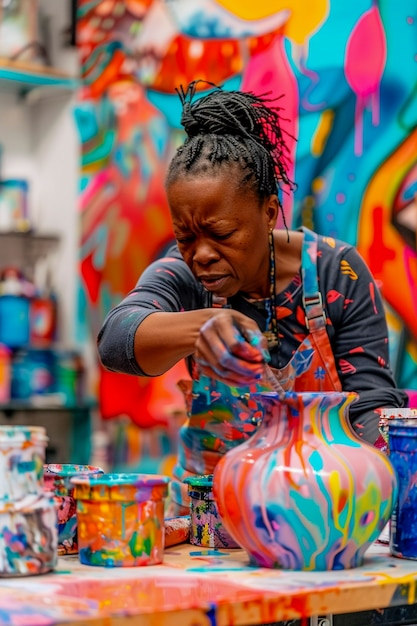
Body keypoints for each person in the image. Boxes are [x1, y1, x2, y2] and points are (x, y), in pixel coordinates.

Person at [97, 80, 408, 514]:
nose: (201, 254)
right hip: (211, 522)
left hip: (321, 513)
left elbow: (371, 407)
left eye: (221, 234)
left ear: (267, 210)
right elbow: (115, 342)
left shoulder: (338, 272)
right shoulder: (185, 277)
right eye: (185, 236)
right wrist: (202, 326)